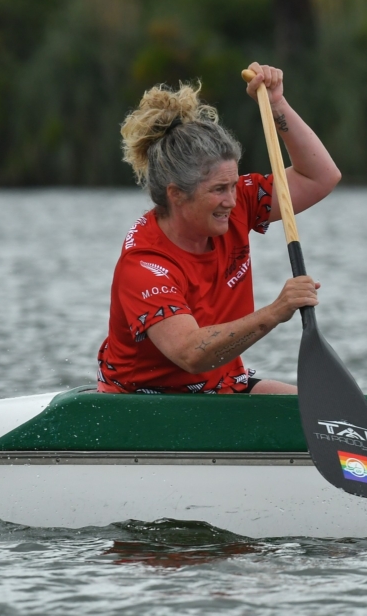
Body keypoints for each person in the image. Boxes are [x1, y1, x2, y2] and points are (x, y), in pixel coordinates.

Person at [96, 63, 341, 395]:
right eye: (218, 190)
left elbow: (320, 177)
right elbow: (191, 353)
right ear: (176, 194)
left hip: (221, 387)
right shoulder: (144, 265)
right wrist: (276, 311)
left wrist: (276, 104)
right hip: (145, 404)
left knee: (321, 403)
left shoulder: (236, 206)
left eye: (234, 185)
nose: (232, 200)